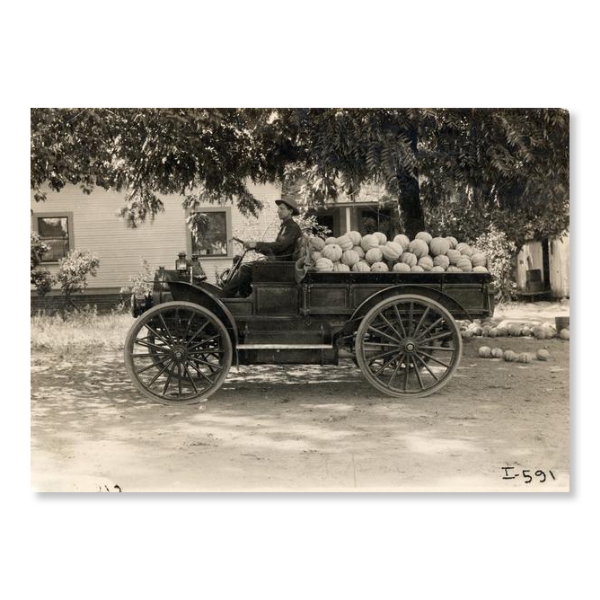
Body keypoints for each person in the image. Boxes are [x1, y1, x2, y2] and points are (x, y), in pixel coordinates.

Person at [221, 198, 302, 298]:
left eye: (282, 209)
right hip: (279, 265)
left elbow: (280, 247)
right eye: (278, 209)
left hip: (281, 267)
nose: (278, 211)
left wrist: (257, 244)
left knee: (245, 268)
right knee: (246, 266)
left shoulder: (292, 227)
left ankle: (225, 297)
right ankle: (244, 297)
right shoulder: (287, 226)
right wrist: (257, 246)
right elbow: (278, 247)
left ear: (290, 211)